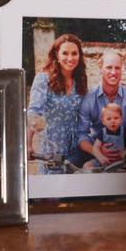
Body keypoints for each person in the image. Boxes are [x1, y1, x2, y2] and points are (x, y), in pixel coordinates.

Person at [69, 49, 126, 170]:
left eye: (117, 68)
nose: (113, 72)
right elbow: (82, 135)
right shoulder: (88, 98)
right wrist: (98, 152)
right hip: (95, 145)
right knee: (70, 164)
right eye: (109, 67)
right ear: (100, 69)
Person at [26, 33, 88, 172]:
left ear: (79, 56)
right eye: (65, 53)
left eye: (74, 53)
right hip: (52, 148)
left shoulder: (80, 82)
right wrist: (28, 144)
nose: (70, 58)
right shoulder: (43, 79)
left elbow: (86, 113)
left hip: (74, 150)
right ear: (57, 55)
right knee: (53, 190)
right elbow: (34, 113)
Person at [81, 103, 126, 170]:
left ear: (121, 119)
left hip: (120, 161)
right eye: (109, 119)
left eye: (116, 118)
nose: (113, 121)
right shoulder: (103, 132)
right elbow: (95, 148)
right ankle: (96, 172)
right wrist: (101, 157)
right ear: (103, 121)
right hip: (104, 160)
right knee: (86, 165)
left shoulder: (124, 132)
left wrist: (125, 152)